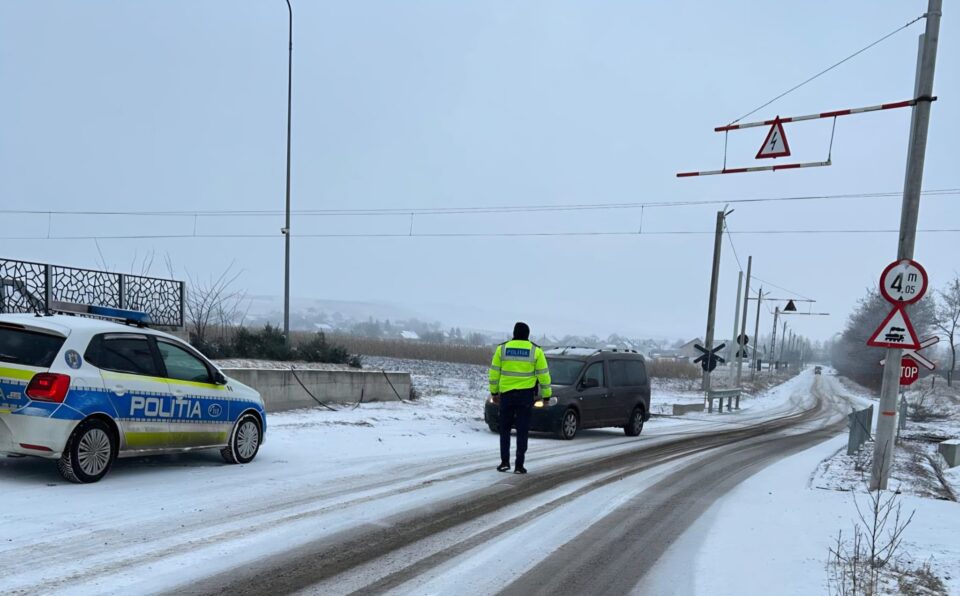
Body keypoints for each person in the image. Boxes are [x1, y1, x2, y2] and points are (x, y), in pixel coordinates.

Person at [488, 322, 551, 474]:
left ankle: (504, 462)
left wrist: (494, 393)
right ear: (528, 335)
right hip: (525, 396)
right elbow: (544, 375)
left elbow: (494, 373)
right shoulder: (535, 351)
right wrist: (546, 395)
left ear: (514, 333)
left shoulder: (502, 349)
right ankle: (519, 465)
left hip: (507, 395)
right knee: (522, 430)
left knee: (505, 429)